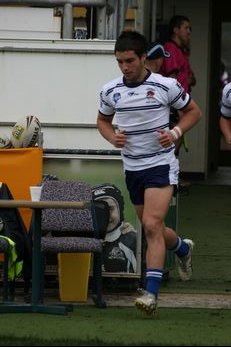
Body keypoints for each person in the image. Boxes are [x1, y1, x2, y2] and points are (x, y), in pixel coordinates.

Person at [96, 30, 201, 315]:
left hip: (161, 164)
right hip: (133, 167)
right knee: (151, 227)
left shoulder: (166, 85)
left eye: (130, 60)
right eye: (119, 62)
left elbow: (194, 111)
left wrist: (176, 131)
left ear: (144, 58)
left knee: (153, 224)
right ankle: (181, 247)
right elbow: (103, 121)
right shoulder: (110, 90)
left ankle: (150, 295)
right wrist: (110, 137)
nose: (125, 67)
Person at [161, 15, 196, 155]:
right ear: (176, 30)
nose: (189, 32)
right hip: (174, 104)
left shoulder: (182, 51)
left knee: (178, 138)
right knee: (174, 140)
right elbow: (172, 79)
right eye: (186, 28)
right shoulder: (170, 48)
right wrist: (179, 109)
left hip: (183, 101)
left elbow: (192, 79)